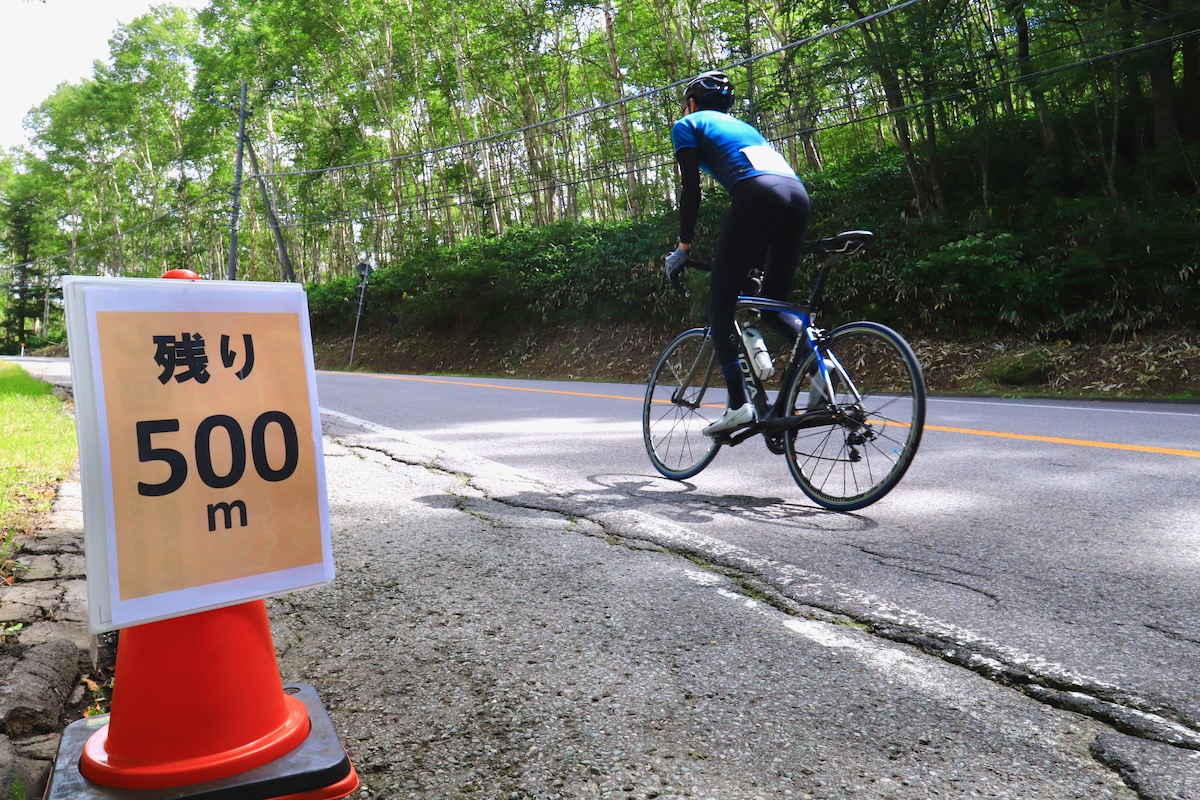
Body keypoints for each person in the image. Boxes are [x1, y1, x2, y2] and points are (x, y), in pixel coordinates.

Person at [664, 70, 811, 436]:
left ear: (692, 103)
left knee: (719, 306)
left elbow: (690, 189)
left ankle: (736, 405)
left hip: (756, 196)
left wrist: (683, 247)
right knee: (773, 305)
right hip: (797, 197)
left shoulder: (687, 123)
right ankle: (824, 373)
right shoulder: (745, 128)